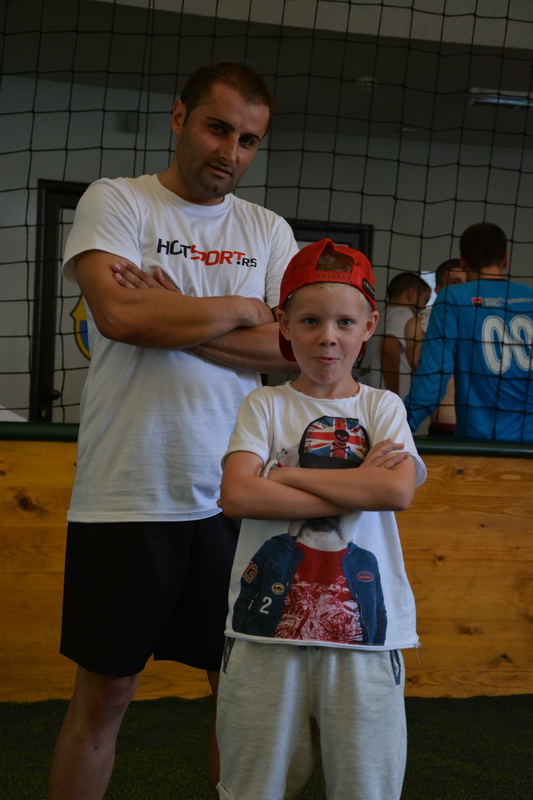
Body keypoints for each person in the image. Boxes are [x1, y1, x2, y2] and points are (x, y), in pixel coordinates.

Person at [47, 61, 299, 800]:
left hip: (234, 495)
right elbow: (120, 315)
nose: (230, 152)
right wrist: (244, 308)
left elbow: (290, 347)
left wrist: (178, 312)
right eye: (218, 129)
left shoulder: (267, 230)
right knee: (105, 696)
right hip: (127, 490)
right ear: (179, 117)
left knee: (238, 692)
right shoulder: (117, 201)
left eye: (248, 140)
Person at [217, 238, 427, 800]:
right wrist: (357, 489)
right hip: (263, 636)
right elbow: (237, 495)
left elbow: (396, 490)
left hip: (366, 643)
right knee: (252, 787)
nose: (327, 336)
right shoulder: (263, 405)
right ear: (284, 325)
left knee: (366, 787)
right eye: (310, 321)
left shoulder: (383, 407)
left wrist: (285, 479)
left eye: (344, 322)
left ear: (369, 326)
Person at [406, 222, 533, 441]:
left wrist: (398, 426)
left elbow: (433, 378)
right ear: (505, 258)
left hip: (478, 445)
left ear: (463, 260)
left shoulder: (453, 298)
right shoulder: (530, 297)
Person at [405, 258, 467, 436]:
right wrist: (439, 323)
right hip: (444, 426)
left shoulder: (481, 322)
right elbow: (416, 360)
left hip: (482, 428)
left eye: (467, 282)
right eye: (455, 282)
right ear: (439, 290)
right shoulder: (419, 323)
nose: (463, 288)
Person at [359, 271, 431, 399]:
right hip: (387, 399)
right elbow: (388, 346)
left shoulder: (380, 316)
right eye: (425, 301)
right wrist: (394, 396)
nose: (424, 307)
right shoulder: (403, 314)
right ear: (412, 294)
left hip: (369, 393)